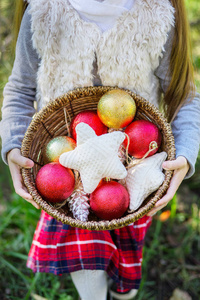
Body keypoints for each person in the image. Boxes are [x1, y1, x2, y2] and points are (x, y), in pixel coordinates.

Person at [1, 0, 200, 299]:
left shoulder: (156, 14)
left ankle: (124, 290)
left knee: (127, 252)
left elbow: (183, 95)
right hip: (64, 174)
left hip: (133, 168)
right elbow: (20, 89)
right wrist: (13, 144)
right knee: (85, 257)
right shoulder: (44, 11)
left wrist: (184, 152)